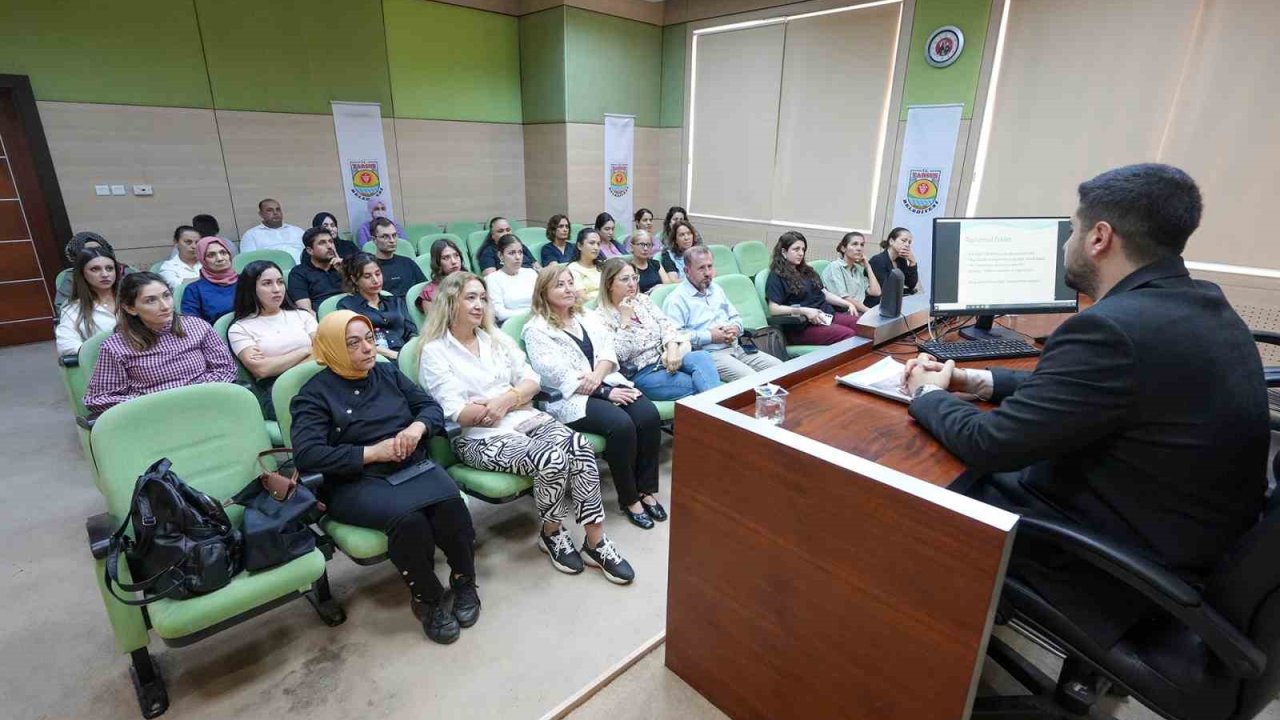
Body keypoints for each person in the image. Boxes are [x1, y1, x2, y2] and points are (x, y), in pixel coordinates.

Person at [903, 163, 1268, 649]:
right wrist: (977, 379)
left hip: (1120, 566)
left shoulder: (1111, 329)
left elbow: (991, 444)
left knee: (911, 496)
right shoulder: (1202, 305)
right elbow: (1087, 395)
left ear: (1100, 237)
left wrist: (926, 392)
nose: (1065, 244)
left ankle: (918, 654)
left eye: (1071, 230)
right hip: (1187, 541)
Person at [419, 272, 635, 581]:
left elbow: (532, 380)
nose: (480, 305)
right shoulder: (434, 352)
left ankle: (595, 542)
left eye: (483, 298)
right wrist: (516, 397)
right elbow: (459, 413)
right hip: (478, 438)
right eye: (470, 298)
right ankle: (552, 533)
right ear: (450, 302)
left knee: (581, 448)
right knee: (553, 459)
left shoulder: (496, 338)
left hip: (523, 418)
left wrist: (506, 400)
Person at [292, 311, 479, 644]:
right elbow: (308, 454)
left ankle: (464, 582)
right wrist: (371, 453)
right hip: (357, 480)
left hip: (410, 466)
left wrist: (416, 427)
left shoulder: (387, 373)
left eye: (370, 338)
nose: (367, 349)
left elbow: (430, 407)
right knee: (409, 522)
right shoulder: (313, 394)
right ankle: (429, 600)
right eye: (353, 343)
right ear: (333, 348)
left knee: (451, 505)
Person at [524, 265, 664, 532]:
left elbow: (607, 350)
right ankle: (630, 498)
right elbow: (556, 376)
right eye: (559, 285)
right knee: (620, 425)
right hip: (569, 399)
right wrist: (604, 392)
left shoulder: (584, 316)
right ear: (543, 293)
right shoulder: (536, 330)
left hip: (605, 382)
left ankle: (646, 489)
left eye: (569, 283)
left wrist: (600, 378)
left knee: (647, 415)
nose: (568, 289)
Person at [83, 272, 237, 413]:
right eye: (151, 301)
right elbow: (98, 398)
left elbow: (226, 369)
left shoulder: (198, 326)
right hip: (154, 415)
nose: (165, 306)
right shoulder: (116, 346)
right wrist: (152, 402)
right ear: (130, 308)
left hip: (205, 404)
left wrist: (195, 394)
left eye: (166, 296)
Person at [597, 258, 720, 401]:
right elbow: (619, 355)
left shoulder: (642, 300)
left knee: (702, 357)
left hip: (668, 356)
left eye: (634, 278)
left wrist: (672, 348)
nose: (632, 284)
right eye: (625, 279)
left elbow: (666, 325)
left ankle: (718, 416)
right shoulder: (601, 316)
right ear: (609, 284)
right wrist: (625, 321)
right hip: (644, 372)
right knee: (699, 383)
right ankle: (721, 416)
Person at [666, 245, 782, 381]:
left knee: (779, 368)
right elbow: (676, 336)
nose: (708, 272)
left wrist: (736, 328)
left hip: (736, 346)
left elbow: (735, 317)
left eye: (710, 266)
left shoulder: (716, 289)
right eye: (701, 268)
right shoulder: (676, 299)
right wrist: (710, 336)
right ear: (687, 271)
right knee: (751, 379)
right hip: (709, 354)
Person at [228, 260, 317, 419]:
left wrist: (277, 363)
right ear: (250, 288)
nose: (276, 289)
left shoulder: (302, 315)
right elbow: (262, 369)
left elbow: (325, 351)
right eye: (267, 283)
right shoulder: (240, 328)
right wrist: (306, 350)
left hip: (317, 377)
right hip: (278, 389)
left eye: (280, 282)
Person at [765, 231, 859, 345]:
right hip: (801, 326)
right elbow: (774, 309)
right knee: (849, 335)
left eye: (803, 249)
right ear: (784, 252)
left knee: (861, 325)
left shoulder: (807, 270)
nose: (801, 253)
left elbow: (824, 294)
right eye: (796, 249)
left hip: (824, 315)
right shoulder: (776, 276)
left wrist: (847, 304)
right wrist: (804, 311)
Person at [338, 253, 416, 359]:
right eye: (367, 276)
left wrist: (409, 353)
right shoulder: (347, 305)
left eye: (378, 274)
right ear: (354, 279)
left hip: (405, 355)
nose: (375, 280)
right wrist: (394, 355)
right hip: (375, 359)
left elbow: (411, 332)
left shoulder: (395, 301)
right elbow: (356, 341)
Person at [55, 248, 119, 355]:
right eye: (95, 269)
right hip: (104, 364)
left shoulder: (131, 299)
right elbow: (66, 344)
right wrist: (105, 353)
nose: (104, 274)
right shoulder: (74, 308)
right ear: (82, 274)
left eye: (109, 268)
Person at [55, 231, 135, 310]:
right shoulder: (71, 277)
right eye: (89, 251)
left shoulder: (126, 271)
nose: (96, 253)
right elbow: (62, 308)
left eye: (109, 269)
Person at [821, 231, 881, 314]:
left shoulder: (857, 270)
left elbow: (876, 292)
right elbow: (844, 298)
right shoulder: (835, 266)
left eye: (862, 245)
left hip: (858, 310)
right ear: (843, 248)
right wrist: (869, 312)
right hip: (841, 311)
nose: (859, 248)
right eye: (854, 244)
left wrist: (868, 266)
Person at [181, 236, 238, 324]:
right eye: (211, 255)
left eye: (223, 252)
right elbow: (192, 325)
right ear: (203, 260)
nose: (220, 258)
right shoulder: (194, 290)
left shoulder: (246, 280)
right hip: (215, 336)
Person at [288, 226, 345, 312]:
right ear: (310, 250)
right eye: (322, 243)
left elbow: (362, 297)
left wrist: (345, 272)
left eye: (331, 241)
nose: (329, 246)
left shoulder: (343, 266)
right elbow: (306, 311)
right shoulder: (298, 273)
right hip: (323, 320)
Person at [484, 235, 537, 322]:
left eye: (520, 252)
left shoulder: (531, 273)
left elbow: (543, 302)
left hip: (537, 321)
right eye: (512, 253)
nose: (518, 257)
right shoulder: (492, 279)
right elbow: (500, 313)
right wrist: (532, 313)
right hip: (510, 325)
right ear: (501, 256)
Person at [370, 218, 426, 300]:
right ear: (374, 240)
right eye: (385, 236)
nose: (392, 240)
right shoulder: (369, 268)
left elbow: (425, 288)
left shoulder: (408, 263)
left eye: (394, 235)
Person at [239, 198, 305, 263]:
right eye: (269, 210)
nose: (275, 213)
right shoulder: (251, 235)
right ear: (261, 214)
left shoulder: (297, 231)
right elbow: (248, 262)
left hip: (305, 269)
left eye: (278, 209)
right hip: (274, 271)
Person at [866, 226, 919, 306]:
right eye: (903, 241)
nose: (907, 245)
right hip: (876, 304)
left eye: (909, 242)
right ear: (891, 241)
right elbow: (885, 289)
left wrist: (912, 262)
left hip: (892, 303)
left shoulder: (901, 260)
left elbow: (911, 284)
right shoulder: (878, 260)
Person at [416, 237, 464, 313]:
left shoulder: (472, 282)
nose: (454, 261)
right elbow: (435, 323)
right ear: (437, 263)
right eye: (446, 258)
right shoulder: (429, 292)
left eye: (456, 255)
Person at [566, 228, 604, 303]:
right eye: (592, 243)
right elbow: (582, 298)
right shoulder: (572, 268)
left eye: (598, 244)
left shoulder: (602, 266)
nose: (596, 248)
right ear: (579, 246)